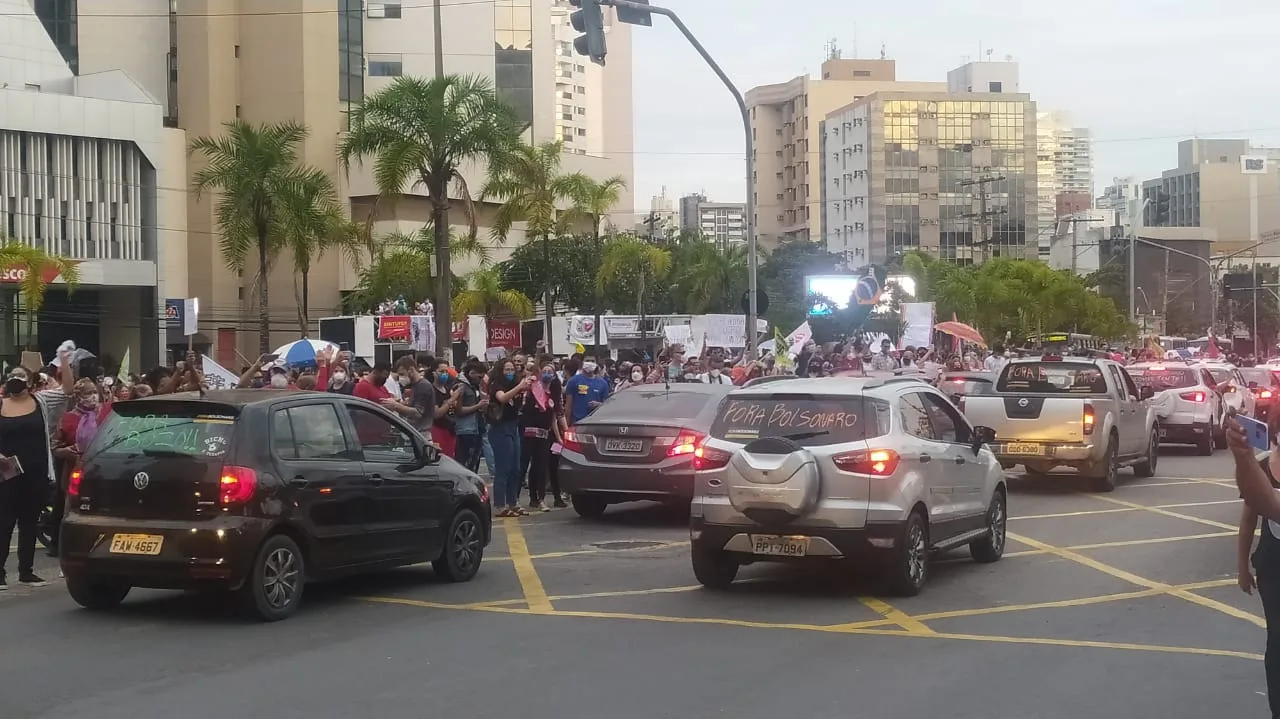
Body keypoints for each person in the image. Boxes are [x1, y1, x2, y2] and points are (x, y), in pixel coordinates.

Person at [0, 352, 73, 588]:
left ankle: (26, 571)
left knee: (29, 522)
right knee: (5, 522)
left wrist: (64, 362)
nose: (16, 380)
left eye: (21, 376)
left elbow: (67, 391)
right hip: (7, 474)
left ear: (30, 382)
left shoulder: (40, 401)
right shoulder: (1, 404)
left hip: (36, 472)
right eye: (12, 376)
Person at [49, 378, 110, 557]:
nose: (91, 397)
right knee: (74, 512)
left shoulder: (106, 413)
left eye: (94, 393)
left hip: (104, 472)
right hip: (75, 473)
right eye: (87, 394)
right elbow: (55, 447)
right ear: (78, 397)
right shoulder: (67, 419)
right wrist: (66, 451)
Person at [519, 361, 563, 512]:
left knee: (542, 465)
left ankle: (541, 498)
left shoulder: (554, 393)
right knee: (529, 466)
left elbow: (554, 417)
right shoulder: (533, 389)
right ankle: (531, 498)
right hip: (530, 432)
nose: (547, 374)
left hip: (545, 433)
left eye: (550, 372)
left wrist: (558, 437)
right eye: (544, 371)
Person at [489, 359, 531, 517]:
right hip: (500, 428)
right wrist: (520, 387)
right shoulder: (496, 385)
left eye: (512, 369)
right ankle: (500, 504)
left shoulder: (517, 383)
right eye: (506, 369)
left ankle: (513, 502)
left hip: (514, 426)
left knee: (516, 468)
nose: (510, 372)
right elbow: (502, 398)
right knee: (503, 468)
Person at [454, 360, 489, 473]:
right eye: (479, 377)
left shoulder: (473, 387)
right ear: (472, 373)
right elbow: (458, 410)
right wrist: (477, 406)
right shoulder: (461, 387)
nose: (480, 380)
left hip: (475, 428)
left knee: (474, 463)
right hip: (465, 430)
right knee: (466, 464)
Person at [565, 357, 610, 425]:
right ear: (582, 363)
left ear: (596, 364)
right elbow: (568, 406)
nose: (589, 363)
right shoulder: (573, 381)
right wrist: (566, 425)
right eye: (587, 360)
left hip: (595, 422)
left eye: (592, 361)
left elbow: (606, 406)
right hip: (577, 422)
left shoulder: (603, 383)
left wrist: (598, 405)